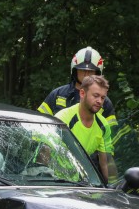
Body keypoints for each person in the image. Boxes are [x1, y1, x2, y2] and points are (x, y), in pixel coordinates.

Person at [38, 46, 119, 178]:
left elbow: (109, 139)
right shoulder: (58, 95)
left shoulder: (105, 103)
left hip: (91, 168)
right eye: (82, 70)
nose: (86, 75)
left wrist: (112, 183)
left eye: (91, 71)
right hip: (58, 167)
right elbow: (39, 125)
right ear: (74, 71)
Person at [55, 75, 117, 183]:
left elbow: (106, 163)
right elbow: (45, 152)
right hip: (55, 180)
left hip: (82, 182)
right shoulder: (63, 119)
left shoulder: (103, 125)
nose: (99, 101)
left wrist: (116, 187)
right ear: (82, 93)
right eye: (96, 96)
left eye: (103, 98)